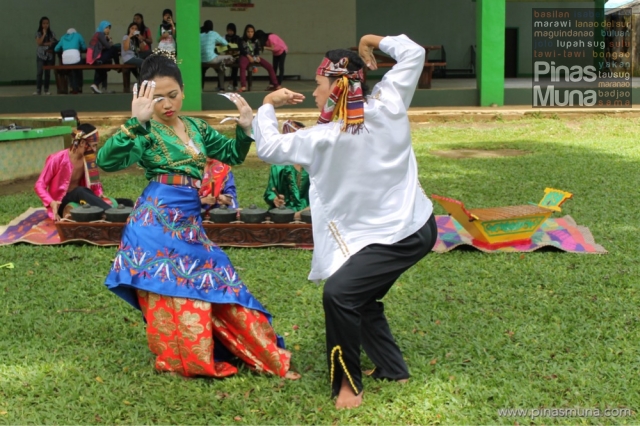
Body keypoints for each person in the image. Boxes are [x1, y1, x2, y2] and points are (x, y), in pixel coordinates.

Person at [253, 34, 437, 409]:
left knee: (339, 295)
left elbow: (270, 148)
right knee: (360, 297)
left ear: (336, 87)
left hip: (399, 235)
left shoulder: (323, 137)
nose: (315, 93)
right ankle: (392, 368)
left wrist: (267, 105)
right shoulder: (388, 102)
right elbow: (413, 52)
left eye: (319, 86)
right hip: (417, 227)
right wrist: (372, 40)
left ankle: (348, 386)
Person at [96, 51, 300, 380]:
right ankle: (183, 358)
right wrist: (136, 122)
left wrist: (246, 127)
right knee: (170, 290)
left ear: (183, 90)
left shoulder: (196, 128)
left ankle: (261, 353)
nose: (166, 105)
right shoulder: (145, 131)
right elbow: (107, 161)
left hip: (188, 222)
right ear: (145, 98)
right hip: (154, 222)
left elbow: (231, 153)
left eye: (172, 95)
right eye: (157, 98)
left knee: (219, 278)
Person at [34, 124, 133, 221]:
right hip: (61, 203)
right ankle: (112, 214)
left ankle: (113, 212)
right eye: (93, 146)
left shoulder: (88, 159)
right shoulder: (56, 159)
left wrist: (99, 194)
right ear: (82, 143)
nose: (94, 150)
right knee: (80, 191)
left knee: (126, 202)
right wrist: (51, 202)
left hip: (82, 200)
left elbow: (94, 184)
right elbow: (39, 185)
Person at [263, 120, 309, 220]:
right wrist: (275, 199)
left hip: (310, 215)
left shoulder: (313, 165)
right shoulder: (278, 166)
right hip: (284, 215)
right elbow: (269, 193)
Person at [238, 24, 280, 92]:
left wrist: (257, 56)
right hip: (245, 56)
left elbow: (257, 50)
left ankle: (276, 85)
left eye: (252, 32)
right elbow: (242, 50)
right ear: (245, 32)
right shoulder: (241, 39)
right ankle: (243, 86)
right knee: (242, 66)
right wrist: (248, 56)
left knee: (269, 66)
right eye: (248, 32)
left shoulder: (256, 40)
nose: (250, 33)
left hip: (254, 56)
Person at [200, 20, 234, 91]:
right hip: (212, 59)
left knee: (219, 65)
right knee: (230, 58)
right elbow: (225, 43)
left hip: (202, 60)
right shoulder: (213, 34)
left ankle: (201, 88)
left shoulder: (200, 35)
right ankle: (222, 87)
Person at [87, 21, 117, 94]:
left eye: (109, 28)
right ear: (102, 28)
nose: (108, 30)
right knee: (113, 49)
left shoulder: (97, 34)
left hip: (94, 57)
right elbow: (108, 46)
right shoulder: (100, 34)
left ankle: (99, 87)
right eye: (106, 28)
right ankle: (117, 65)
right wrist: (109, 40)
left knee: (103, 68)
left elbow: (101, 47)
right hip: (95, 57)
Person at [54, 28, 86, 94]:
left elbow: (56, 49)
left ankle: (72, 87)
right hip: (76, 59)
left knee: (70, 70)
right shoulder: (78, 35)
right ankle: (78, 87)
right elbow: (84, 47)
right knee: (78, 67)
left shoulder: (63, 37)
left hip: (65, 60)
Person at [34, 17, 57, 95]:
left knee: (47, 73)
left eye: (47, 23)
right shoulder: (38, 33)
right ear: (41, 24)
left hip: (49, 55)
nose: (45, 25)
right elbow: (39, 43)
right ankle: (38, 89)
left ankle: (46, 89)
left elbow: (52, 43)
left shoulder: (52, 33)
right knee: (39, 72)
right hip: (40, 55)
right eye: (44, 23)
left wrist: (45, 44)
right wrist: (43, 34)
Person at [225, 23, 243, 91]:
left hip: (235, 56)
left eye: (231, 30)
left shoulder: (237, 38)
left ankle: (232, 83)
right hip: (227, 56)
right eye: (228, 30)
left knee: (235, 65)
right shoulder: (225, 37)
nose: (230, 32)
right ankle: (233, 83)